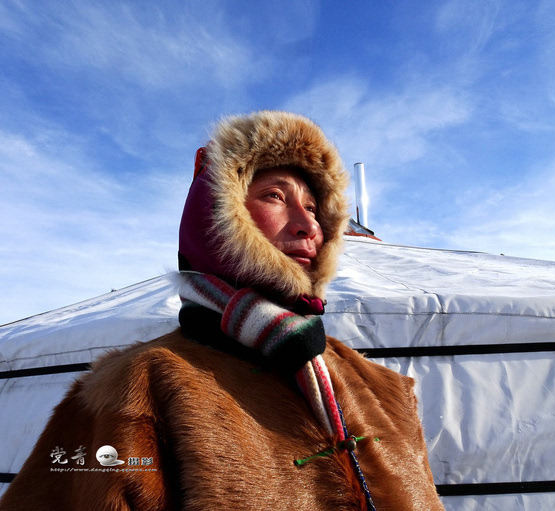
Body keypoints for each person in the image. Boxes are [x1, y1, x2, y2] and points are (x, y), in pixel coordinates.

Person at [0, 111, 444, 510]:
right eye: (275, 196)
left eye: (314, 208)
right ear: (216, 218)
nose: (309, 224)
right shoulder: (139, 386)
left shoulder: (380, 388)